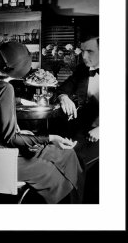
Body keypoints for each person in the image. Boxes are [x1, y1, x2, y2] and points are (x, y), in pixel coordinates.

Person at [0, 42, 84, 204]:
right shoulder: (5, 88)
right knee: (58, 172)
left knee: (65, 154)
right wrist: (51, 138)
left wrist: (18, 102)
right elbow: (10, 138)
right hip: (6, 161)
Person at [56, 24, 99, 169]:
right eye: (82, 51)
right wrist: (64, 97)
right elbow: (63, 88)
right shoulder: (82, 69)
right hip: (83, 130)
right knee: (64, 161)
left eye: (90, 51)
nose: (84, 56)